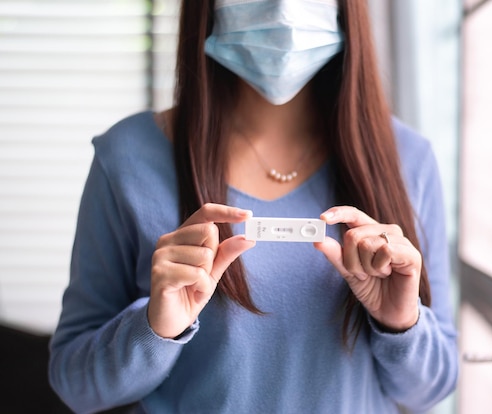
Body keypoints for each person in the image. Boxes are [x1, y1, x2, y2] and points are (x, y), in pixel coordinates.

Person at [48, 0, 458, 413]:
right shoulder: (126, 158)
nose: (282, 8)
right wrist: (155, 329)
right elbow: (76, 385)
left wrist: (401, 323)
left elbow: (431, 389)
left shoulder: (408, 160)